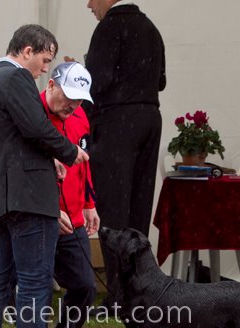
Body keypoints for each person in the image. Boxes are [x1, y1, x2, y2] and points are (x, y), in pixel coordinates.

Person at [0, 24, 89, 328]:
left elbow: (11, 142)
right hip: (28, 201)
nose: (45, 68)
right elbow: (38, 127)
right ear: (26, 50)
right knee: (34, 285)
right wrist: (69, 153)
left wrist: (43, 160)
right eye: (45, 58)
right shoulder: (16, 79)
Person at [83, 0, 166, 303]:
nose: (89, 4)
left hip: (118, 122)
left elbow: (98, 82)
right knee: (139, 206)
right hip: (149, 117)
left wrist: (82, 73)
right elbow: (161, 80)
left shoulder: (109, 27)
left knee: (114, 209)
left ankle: (119, 293)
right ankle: (139, 287)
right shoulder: (151, 29)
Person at [40, 61, 100, 328]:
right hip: (40, 216)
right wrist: (52, 206)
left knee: (84, 286)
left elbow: (84, 164)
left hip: (74, 218)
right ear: (50, 85)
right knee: (35, 288)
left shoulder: (79, 116)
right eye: (67, 97)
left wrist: (89, 203)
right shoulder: (31, 114)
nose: (72, 105)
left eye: (78, 99)